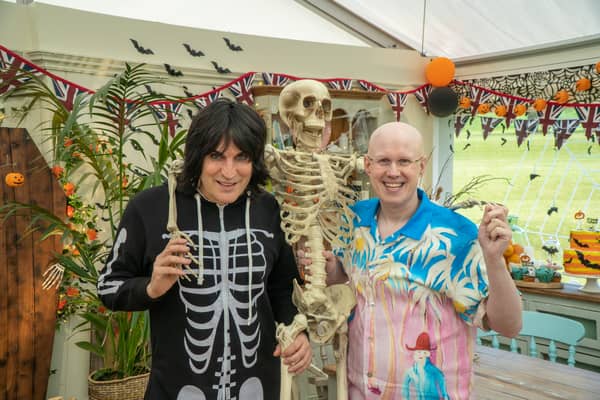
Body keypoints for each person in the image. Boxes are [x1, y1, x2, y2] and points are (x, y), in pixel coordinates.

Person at [97, 98, 311, 399]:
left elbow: (281, 288)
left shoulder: (267, 208)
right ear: (197, 155)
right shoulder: (152, 207)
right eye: (216, 156)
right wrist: (151, 287)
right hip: (177, 388)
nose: (229, 172)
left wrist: (297, 330)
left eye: (242, 158)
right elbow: (108, 286)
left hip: (258, 385)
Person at [298, 121, 522, 399]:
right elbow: (345, 273)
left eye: (404, 161)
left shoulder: (455, 235)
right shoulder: (355, 219)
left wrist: (494, 259)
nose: (393, 172)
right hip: (360, 391)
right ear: (368, 165)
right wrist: (326, 266)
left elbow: (509, 326)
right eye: (383, 161)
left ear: (421, 166)